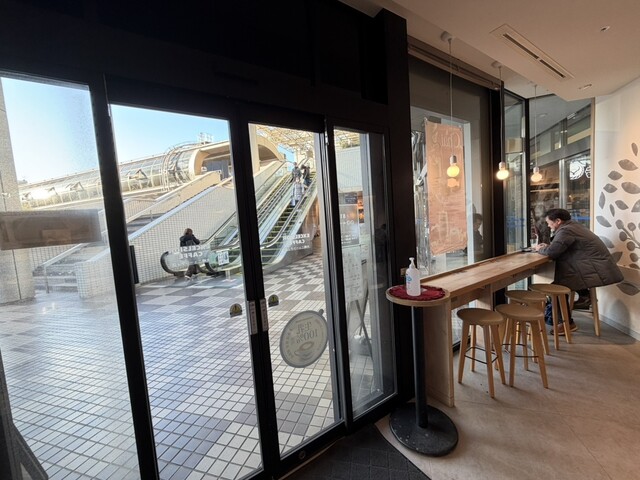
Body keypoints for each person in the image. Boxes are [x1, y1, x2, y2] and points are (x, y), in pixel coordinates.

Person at [532, 208, 623, 334]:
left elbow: (553, 252)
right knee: (562, 281)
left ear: (558, 221)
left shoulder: (566, 230)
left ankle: (566, 324)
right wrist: (548, 247)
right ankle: (584, 296)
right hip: (596, 268)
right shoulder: (574, 227)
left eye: (549, 222)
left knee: (556, 288)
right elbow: (561, 247)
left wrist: (539, 249)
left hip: (593, 270)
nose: (548, 225)